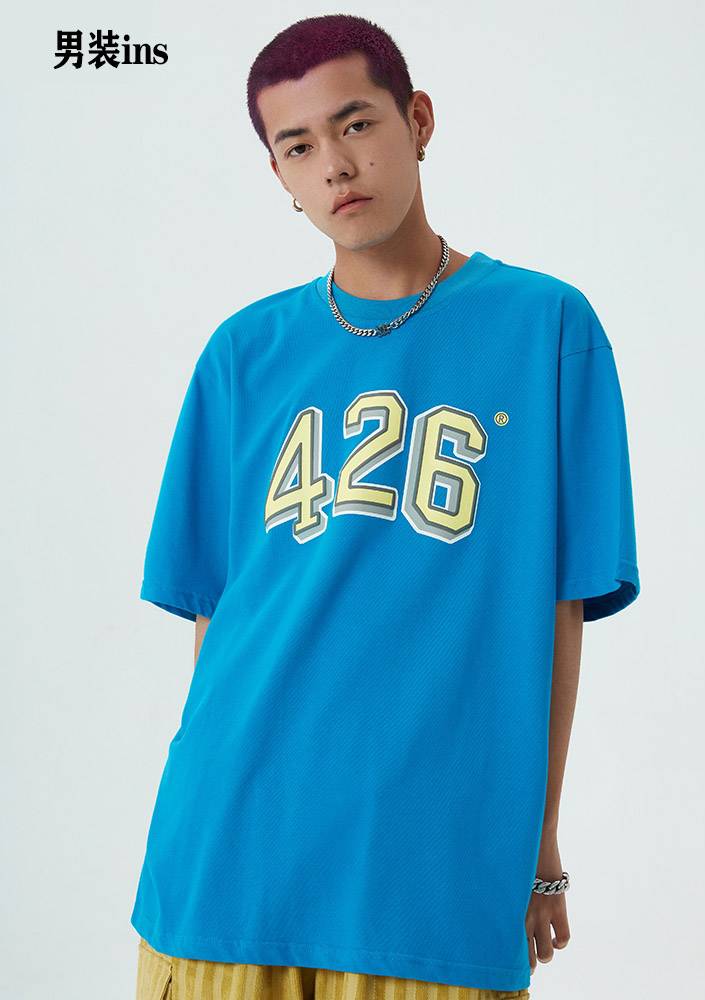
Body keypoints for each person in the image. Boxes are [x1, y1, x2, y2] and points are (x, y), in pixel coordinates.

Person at [131, 13, 641, 1000]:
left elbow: (560, 607)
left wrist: (540, 843)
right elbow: (217, 623)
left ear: (418, 120)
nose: (334, 164)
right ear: (278, 175)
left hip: (429, 875)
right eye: (297, 146)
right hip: (226, 860)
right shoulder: (244, 354)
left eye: (356, 123)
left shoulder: (547, 328)